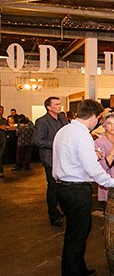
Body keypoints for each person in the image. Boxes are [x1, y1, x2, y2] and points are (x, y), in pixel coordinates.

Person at [53, 99, 114, 276]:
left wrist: (94, 156)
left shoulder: (65, 130)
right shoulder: (82, 135)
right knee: (76, 235)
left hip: (64, 186)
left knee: (79, 231)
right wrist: (113, 183)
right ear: (95, 117)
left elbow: (73, 158)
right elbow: (93, 169)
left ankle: (79, 269)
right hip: (75, 189)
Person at [32, 97, 69, 226]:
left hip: (63, 157)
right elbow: (37, 140)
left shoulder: (62, 118)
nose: (59, 106)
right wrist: (56, 143)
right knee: (53, 187)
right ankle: (53, 214)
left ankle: (59, 209)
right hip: (50, 159)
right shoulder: (42, 121)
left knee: (61, 186)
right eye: (56, 104)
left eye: (60, 104)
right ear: (49, 107)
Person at [0, 106, 7, 178]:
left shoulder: (4, 119)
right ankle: (1, 171)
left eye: (2, 110)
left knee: (0, 156)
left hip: (3, 139)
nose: (0, 111)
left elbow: (4, 127)